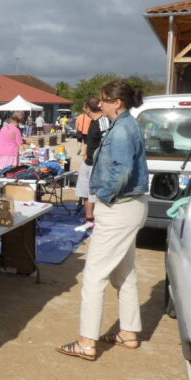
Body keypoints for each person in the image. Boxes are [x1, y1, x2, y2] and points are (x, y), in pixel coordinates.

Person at [56, 79, 149, 361]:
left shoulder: (121, 130)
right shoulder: (125, 126)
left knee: (94, 276)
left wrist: (103, 198)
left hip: (119, 207)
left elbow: (121, 170)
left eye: (104, 99)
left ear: (116, 102)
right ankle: (129, 333)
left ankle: (86, 342)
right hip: (130, 207)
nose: (101, 103)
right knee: (124, 273)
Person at [73, 98, 104, 232]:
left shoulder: (103, 121)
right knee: (84, 190)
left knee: (94, 193)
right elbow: (88, 141)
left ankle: (98, 222)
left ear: (88, 108)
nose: (83, 110)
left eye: (84, 107)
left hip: (97, 164)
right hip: (88, 161)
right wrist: (85, 154)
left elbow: (106, 142)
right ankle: (89, 219)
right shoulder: (92, 121)